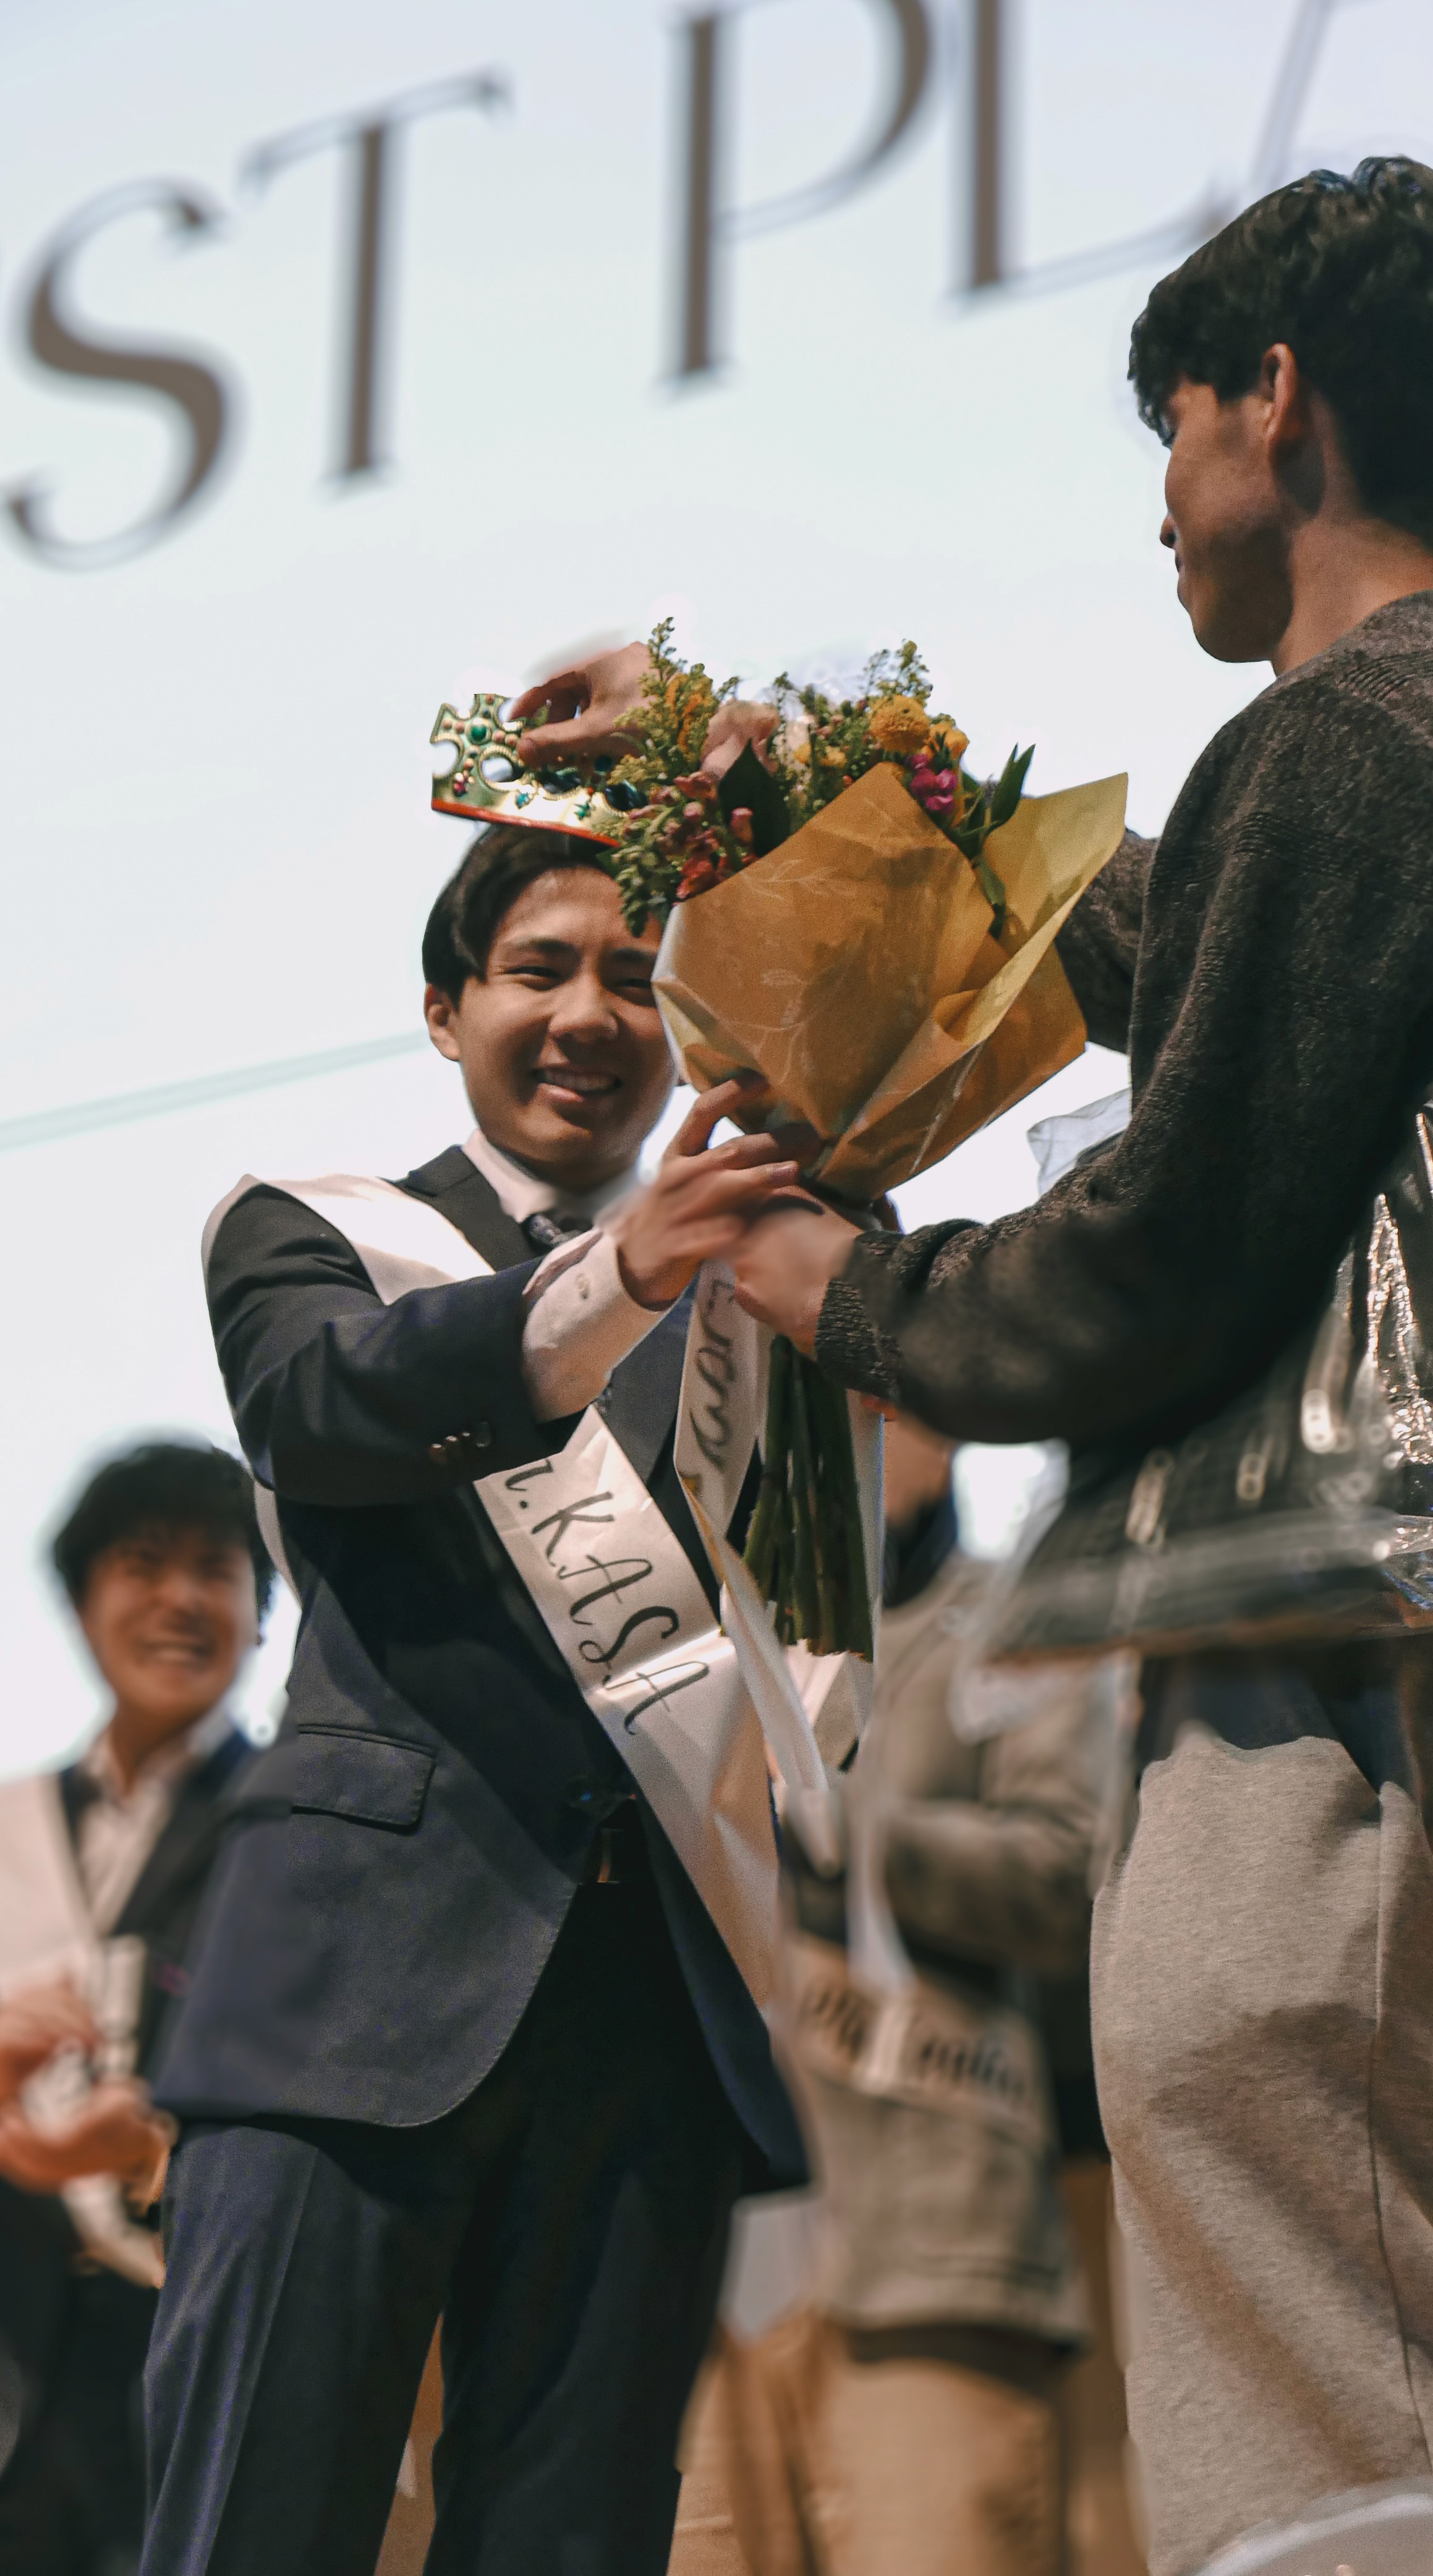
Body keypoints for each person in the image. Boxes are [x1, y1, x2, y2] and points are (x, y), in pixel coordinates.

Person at [708, 158, 1433, 2573]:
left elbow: (1171, 1246)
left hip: (1343, 1655)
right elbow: (1168, 958)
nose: (1154, 501)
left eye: (1171, 427)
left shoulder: (1342, 735)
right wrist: (790, 774)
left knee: (1300, 2271)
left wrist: (846, 1290)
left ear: (1275, 398)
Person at [140, 824, 808, 2576]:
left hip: (655, 2015)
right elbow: (321, 1408)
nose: (589, 1013)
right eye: (537, 969)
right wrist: (619, 1274)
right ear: (445, 1011)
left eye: (635, 978)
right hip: (343, 1996)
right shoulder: (313, 1230)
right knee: (253, 2528)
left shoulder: (764, 1282)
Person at [699, 1414, 1128, 2576]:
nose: (853, 1426)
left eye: (888, 1403)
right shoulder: (691, 1631)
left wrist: (839, 1827)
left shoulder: (1021, 1624)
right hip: (697, 2253)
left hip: (933, 2242)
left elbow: (1070, 1875)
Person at [0, 1441, 270, 2575]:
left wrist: (154, 2158)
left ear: (265, 1612)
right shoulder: (9, 1825)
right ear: (79, 1599)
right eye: (141, 1564)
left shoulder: (293, 1832)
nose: (179, 1599)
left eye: (217, 1568)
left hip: (193, 2359)